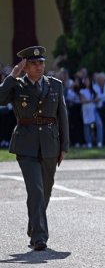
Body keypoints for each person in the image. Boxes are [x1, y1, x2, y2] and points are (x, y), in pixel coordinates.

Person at [0, 46, 69, 251]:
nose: (38, 67)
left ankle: (34, 226)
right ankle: (40, 237)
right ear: (25, 66)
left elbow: (62, 115)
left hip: (50, 143)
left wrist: (64, 145)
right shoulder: (16, 86)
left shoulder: (55, 85)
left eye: (41, 63)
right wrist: (13, 75)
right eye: (33, 64)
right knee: (36, 190)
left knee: (45, 191)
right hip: (26, 144)